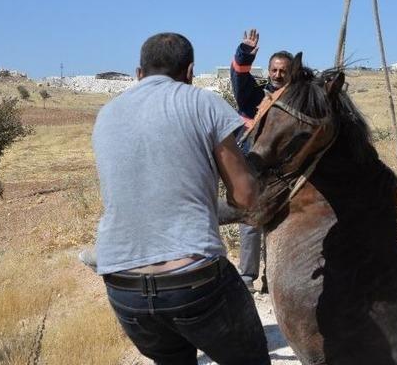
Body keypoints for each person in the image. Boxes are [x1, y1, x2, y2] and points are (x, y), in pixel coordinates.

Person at [92, 32, 269, 364]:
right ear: (189, 72)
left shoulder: (107, 114)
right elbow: (245, 196)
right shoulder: (203, 103)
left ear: (139, 73)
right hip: (193, 283)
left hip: (123, 288)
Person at [230, 28, 292, 293]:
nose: (278, 75)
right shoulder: (253, 96)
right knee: (251, 222)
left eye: (283, 71)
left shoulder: (296, 100)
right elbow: (238, 76)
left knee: (282, 224)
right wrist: (245, 52)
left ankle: (274, 277)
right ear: (268, 71)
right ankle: (247, 276)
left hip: (284, 172)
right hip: (252, 169)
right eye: (274, 70)